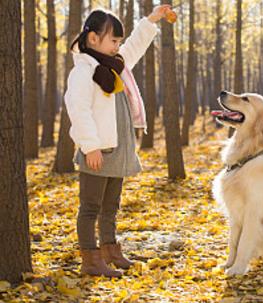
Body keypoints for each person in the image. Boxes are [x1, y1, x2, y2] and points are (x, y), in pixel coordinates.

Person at [65, 5, 173, 277]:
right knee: (90, 207)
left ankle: (109, 250)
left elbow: (135, 46)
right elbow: (78, 109)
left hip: (117, 150)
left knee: (111, 206)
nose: (117, 46)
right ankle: (90, 259)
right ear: (93, 39)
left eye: (118, 42)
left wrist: (152, 20)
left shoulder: (114, 66)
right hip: (97, 152)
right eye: (112, 41)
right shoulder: (83, 72)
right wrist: (89, 146)